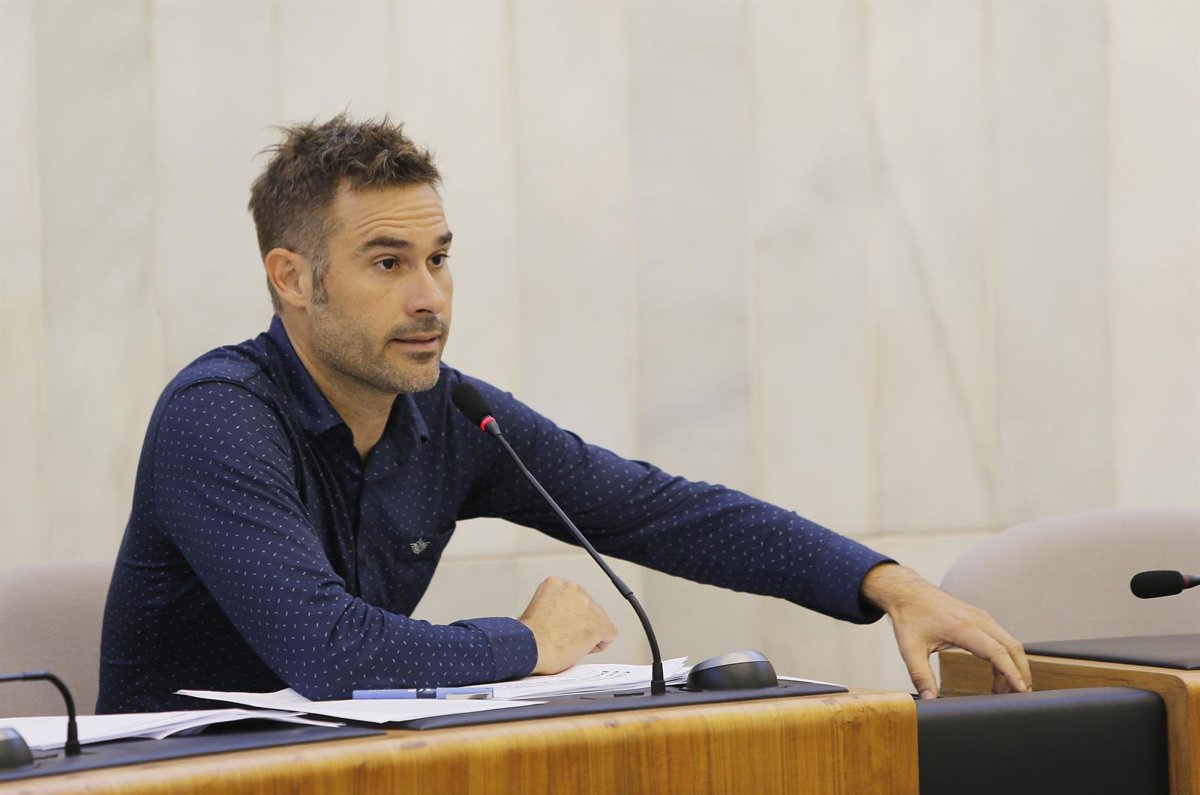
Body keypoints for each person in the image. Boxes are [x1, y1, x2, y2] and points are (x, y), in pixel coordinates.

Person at [97, 115, 1030, 713]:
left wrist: (886, 584)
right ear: (292, 279)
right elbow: (328, 652)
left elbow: (658, 510)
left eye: (439, 258)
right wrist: (529, 645)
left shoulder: (449, 415)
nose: (430, 297)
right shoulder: (217, 417)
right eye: (388, 263)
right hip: (176, 788)